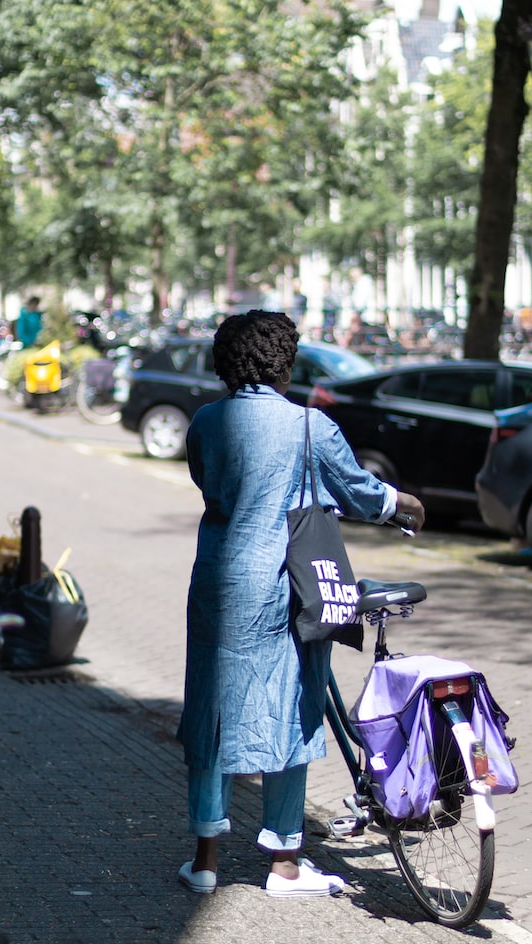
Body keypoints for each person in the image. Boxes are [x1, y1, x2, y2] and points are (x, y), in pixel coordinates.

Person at [177, 310, 424, 898]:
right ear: (285, 362)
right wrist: (404, 505)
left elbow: (207, 482)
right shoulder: (311, 427)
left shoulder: (206, 422)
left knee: (212, 705)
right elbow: (360, 492)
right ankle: (285, 862)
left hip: (216, 585)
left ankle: (205, 861)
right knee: (288, 703)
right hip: (282, 587)